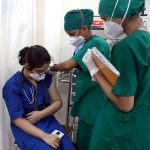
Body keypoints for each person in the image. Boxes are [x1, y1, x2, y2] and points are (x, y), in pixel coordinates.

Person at [82, 0, 150, 149]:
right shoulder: (146, 41)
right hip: (141, 129)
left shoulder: (127, 46)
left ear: (122, 12)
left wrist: (96, 71)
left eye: (106, 18)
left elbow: (125, 104)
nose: (105, 23)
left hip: (119, 133)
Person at [50, 9, 110, 150]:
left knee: (89, 142)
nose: (71, 38)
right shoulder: (83, 45)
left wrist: (51, 67)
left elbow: (68, 64)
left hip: (94, 101)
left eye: (72, 34)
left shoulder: (96, 43)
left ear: (84, 28)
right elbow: (80, 65)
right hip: (89, 101)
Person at [3, 45, 75, 150]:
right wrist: (45, 136)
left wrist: (40, 115)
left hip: (47, 120)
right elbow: (18, 120)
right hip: (26, 127)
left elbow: (58, 101)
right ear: (28, 65)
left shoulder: (45, 77)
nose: (43, 73)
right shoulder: (12, 86)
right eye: (40, 70)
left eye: (45, 70)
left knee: (68, 147)